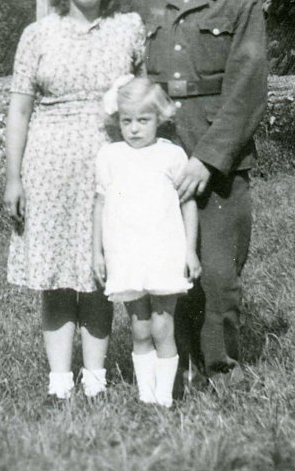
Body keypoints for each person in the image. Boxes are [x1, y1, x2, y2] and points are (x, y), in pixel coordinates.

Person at [133, 0, 267, 386]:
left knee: (218, 273)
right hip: (160, 157)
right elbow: (133, 81)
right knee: (167, 268)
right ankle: (178, 366)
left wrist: (208, 160)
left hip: (221, 160)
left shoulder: (240, 3)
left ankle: (222, 370)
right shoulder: (148, 0)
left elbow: (248, 90)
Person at [4, 0, 145, 402]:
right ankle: (60, 382)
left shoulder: (128, 28)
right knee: (56, 275)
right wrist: (13, 177)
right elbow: (19, 112)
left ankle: (97, 378)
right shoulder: (38, 34)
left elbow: (142, 101)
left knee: (99, 273)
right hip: (49, 165)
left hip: (109, 166)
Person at [92, 76, 200, 407]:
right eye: (127, 121)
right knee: (139, 327)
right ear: (117, 121)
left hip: (163, 251)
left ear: (159, 119)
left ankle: (165, 397)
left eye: (143, 120)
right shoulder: (110, 156)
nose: (135, 129)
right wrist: (97, 251)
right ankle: (145, 395)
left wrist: (190, 250)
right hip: (125, 252)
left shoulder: (172, 155)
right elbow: (99, 205)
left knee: (162, 326)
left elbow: (188, 204)